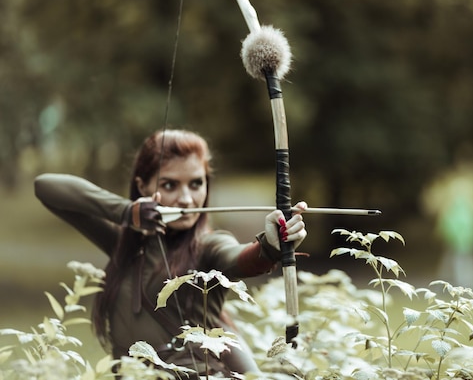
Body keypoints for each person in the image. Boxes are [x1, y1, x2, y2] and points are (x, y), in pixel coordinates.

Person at [34, 129, 307, 378]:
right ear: (143, 187)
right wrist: (125, 211)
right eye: (169, 185)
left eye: (196, 184)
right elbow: (46, 187)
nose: (186, 199)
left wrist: (271, 246)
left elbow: (241, 259)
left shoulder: (209, 246)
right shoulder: (124, 242)